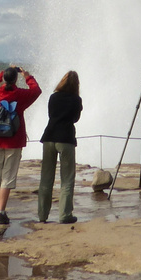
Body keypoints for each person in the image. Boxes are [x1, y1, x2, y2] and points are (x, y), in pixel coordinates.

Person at [0, 65, 41, 224]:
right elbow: (36, 91)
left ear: (4, 78)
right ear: (16, 79)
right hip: (14, 140)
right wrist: (27, 76)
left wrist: (3, 72)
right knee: (7, 177)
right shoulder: (20, 94)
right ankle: (1, 212)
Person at [37, 70, 83, 223]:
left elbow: (51, 115)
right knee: (67, 179)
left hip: (49, 137)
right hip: (66, 139)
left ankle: (42, 216)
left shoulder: (53, 97)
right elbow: (75, 119)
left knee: (46, 178)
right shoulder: (76, 99)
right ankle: (64, 215)